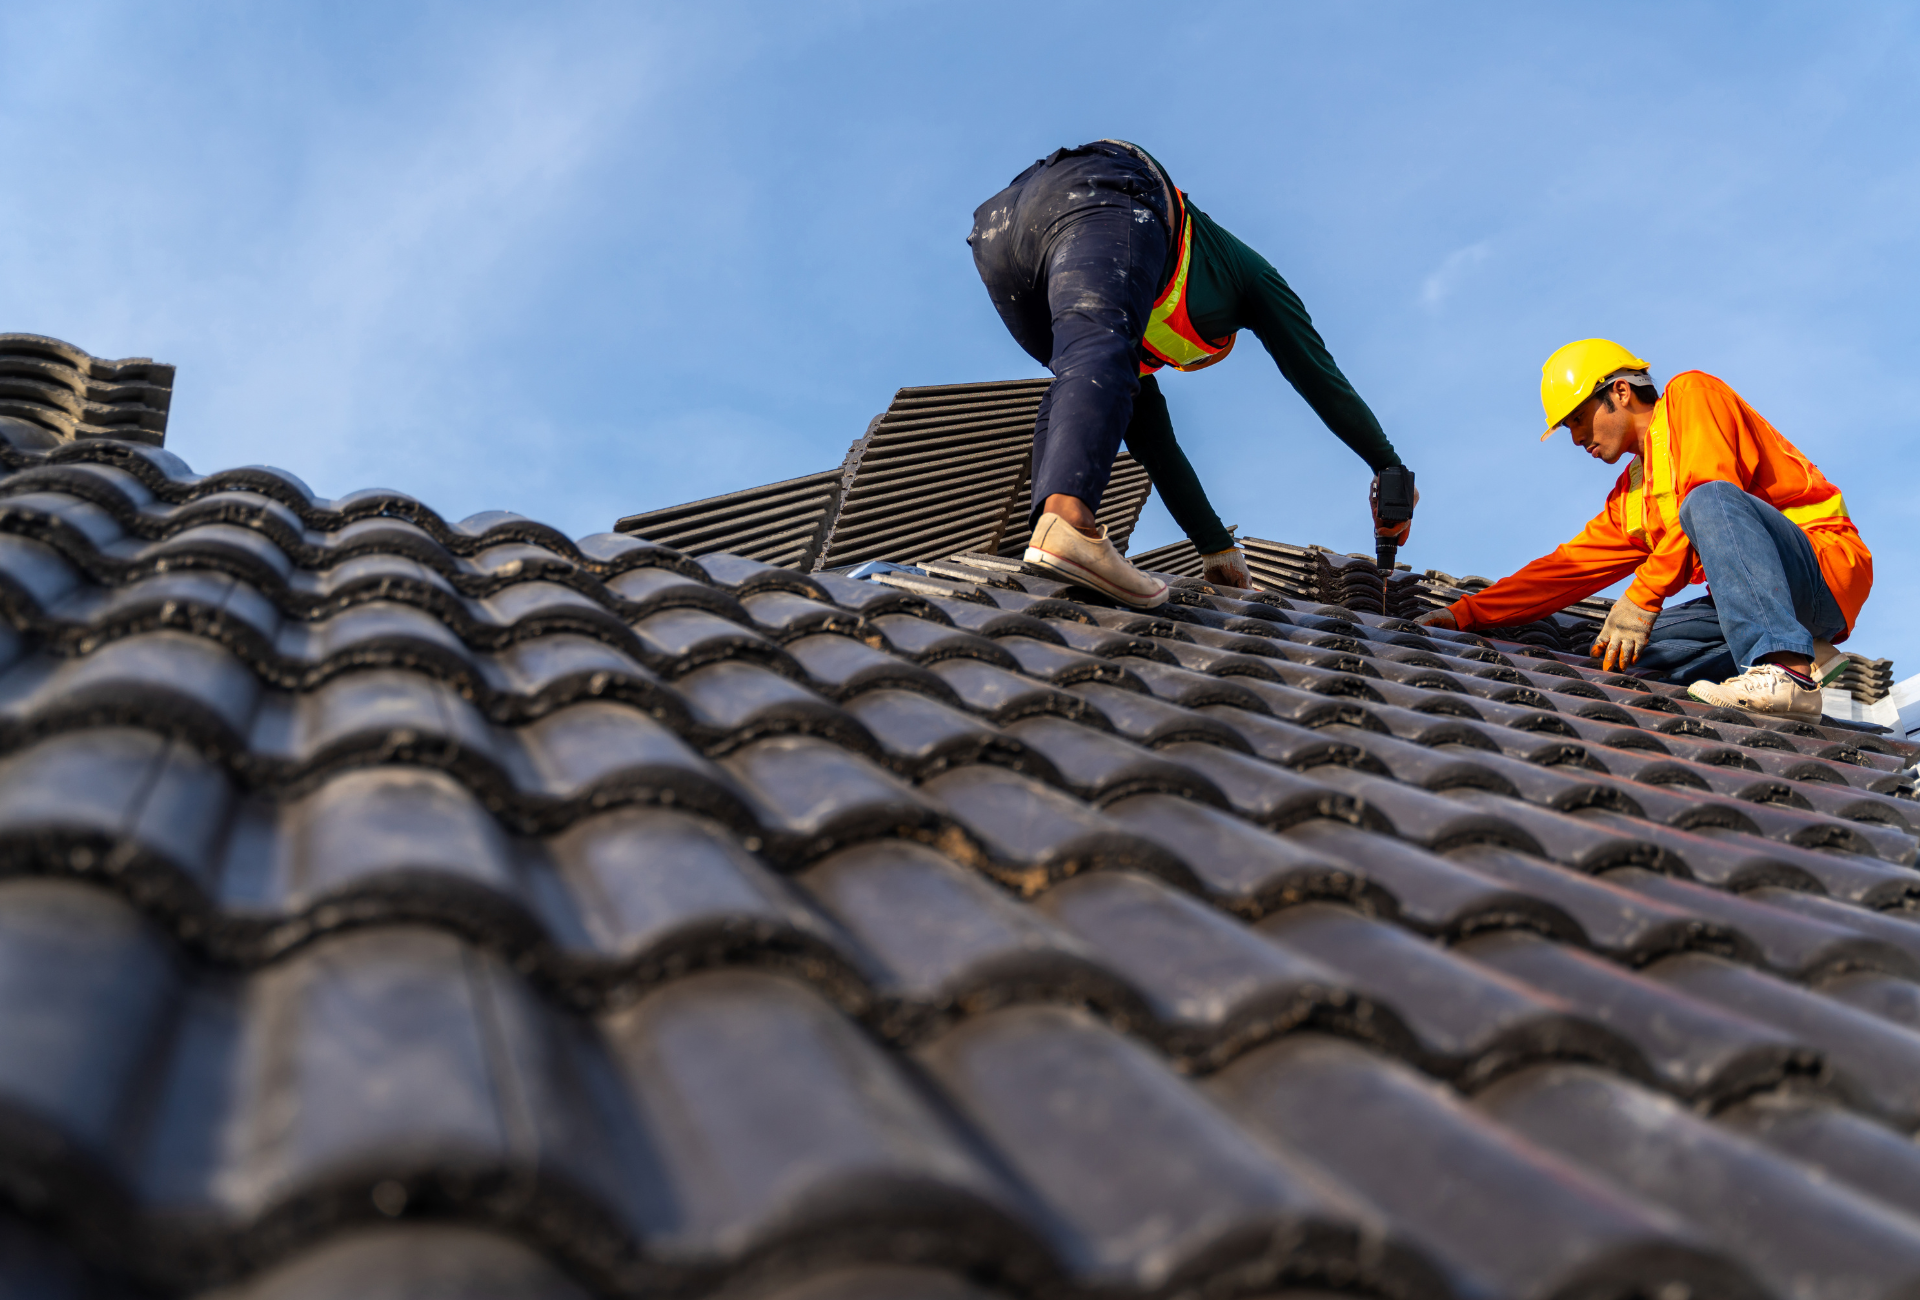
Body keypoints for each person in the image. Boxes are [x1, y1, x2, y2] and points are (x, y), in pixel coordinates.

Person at [967, 140, 1413, 608]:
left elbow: (1157, 446)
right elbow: (1317, 374)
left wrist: (1216, 547)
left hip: (1001, 234)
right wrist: (1387, 465)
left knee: (1078, 382)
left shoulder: (1130, 317)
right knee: (1102, 357)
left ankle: (1047, 540)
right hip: (1105, 188)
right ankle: (1067, 521)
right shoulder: (1248, 277)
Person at [1416, 339, 1872, 719]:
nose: (1576, 438)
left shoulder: (1691, 396)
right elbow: (1564, 569)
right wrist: (1466, 614)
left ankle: (1787, 669)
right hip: (1763, 600)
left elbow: (1711, 492)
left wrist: (1643, 594)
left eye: (1577, 419)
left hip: (1822, 568)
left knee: (1707, 499)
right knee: (1631, 657)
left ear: (1619, 391)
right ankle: (1803, 650)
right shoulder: (1634, 495)